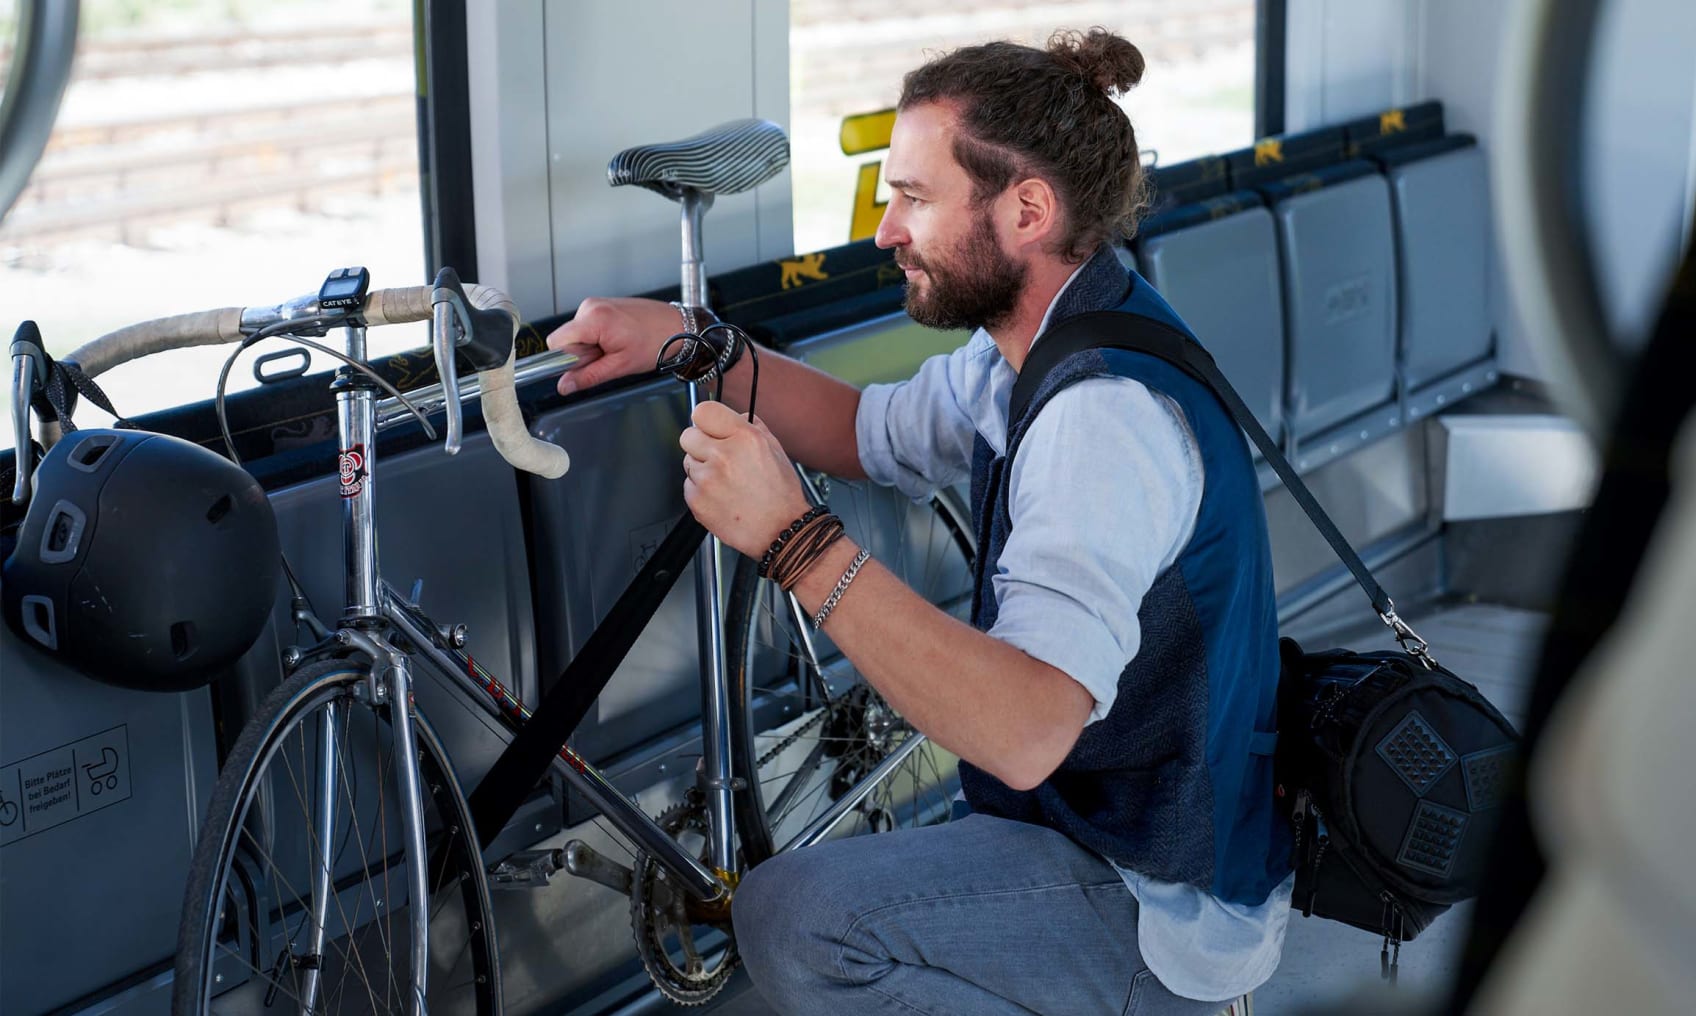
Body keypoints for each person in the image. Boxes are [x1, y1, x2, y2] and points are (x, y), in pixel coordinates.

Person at [546, 28, 1293, 1016]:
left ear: (1026, 210)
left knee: (796, 916)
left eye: (913, 197)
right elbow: (863, 427)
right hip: (1098, 822)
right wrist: (690, 341)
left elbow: (1025, 731)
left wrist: (794, 541)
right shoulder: (1036, 340)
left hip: (1158, 898)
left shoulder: (1099, 418)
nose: (884, 232)